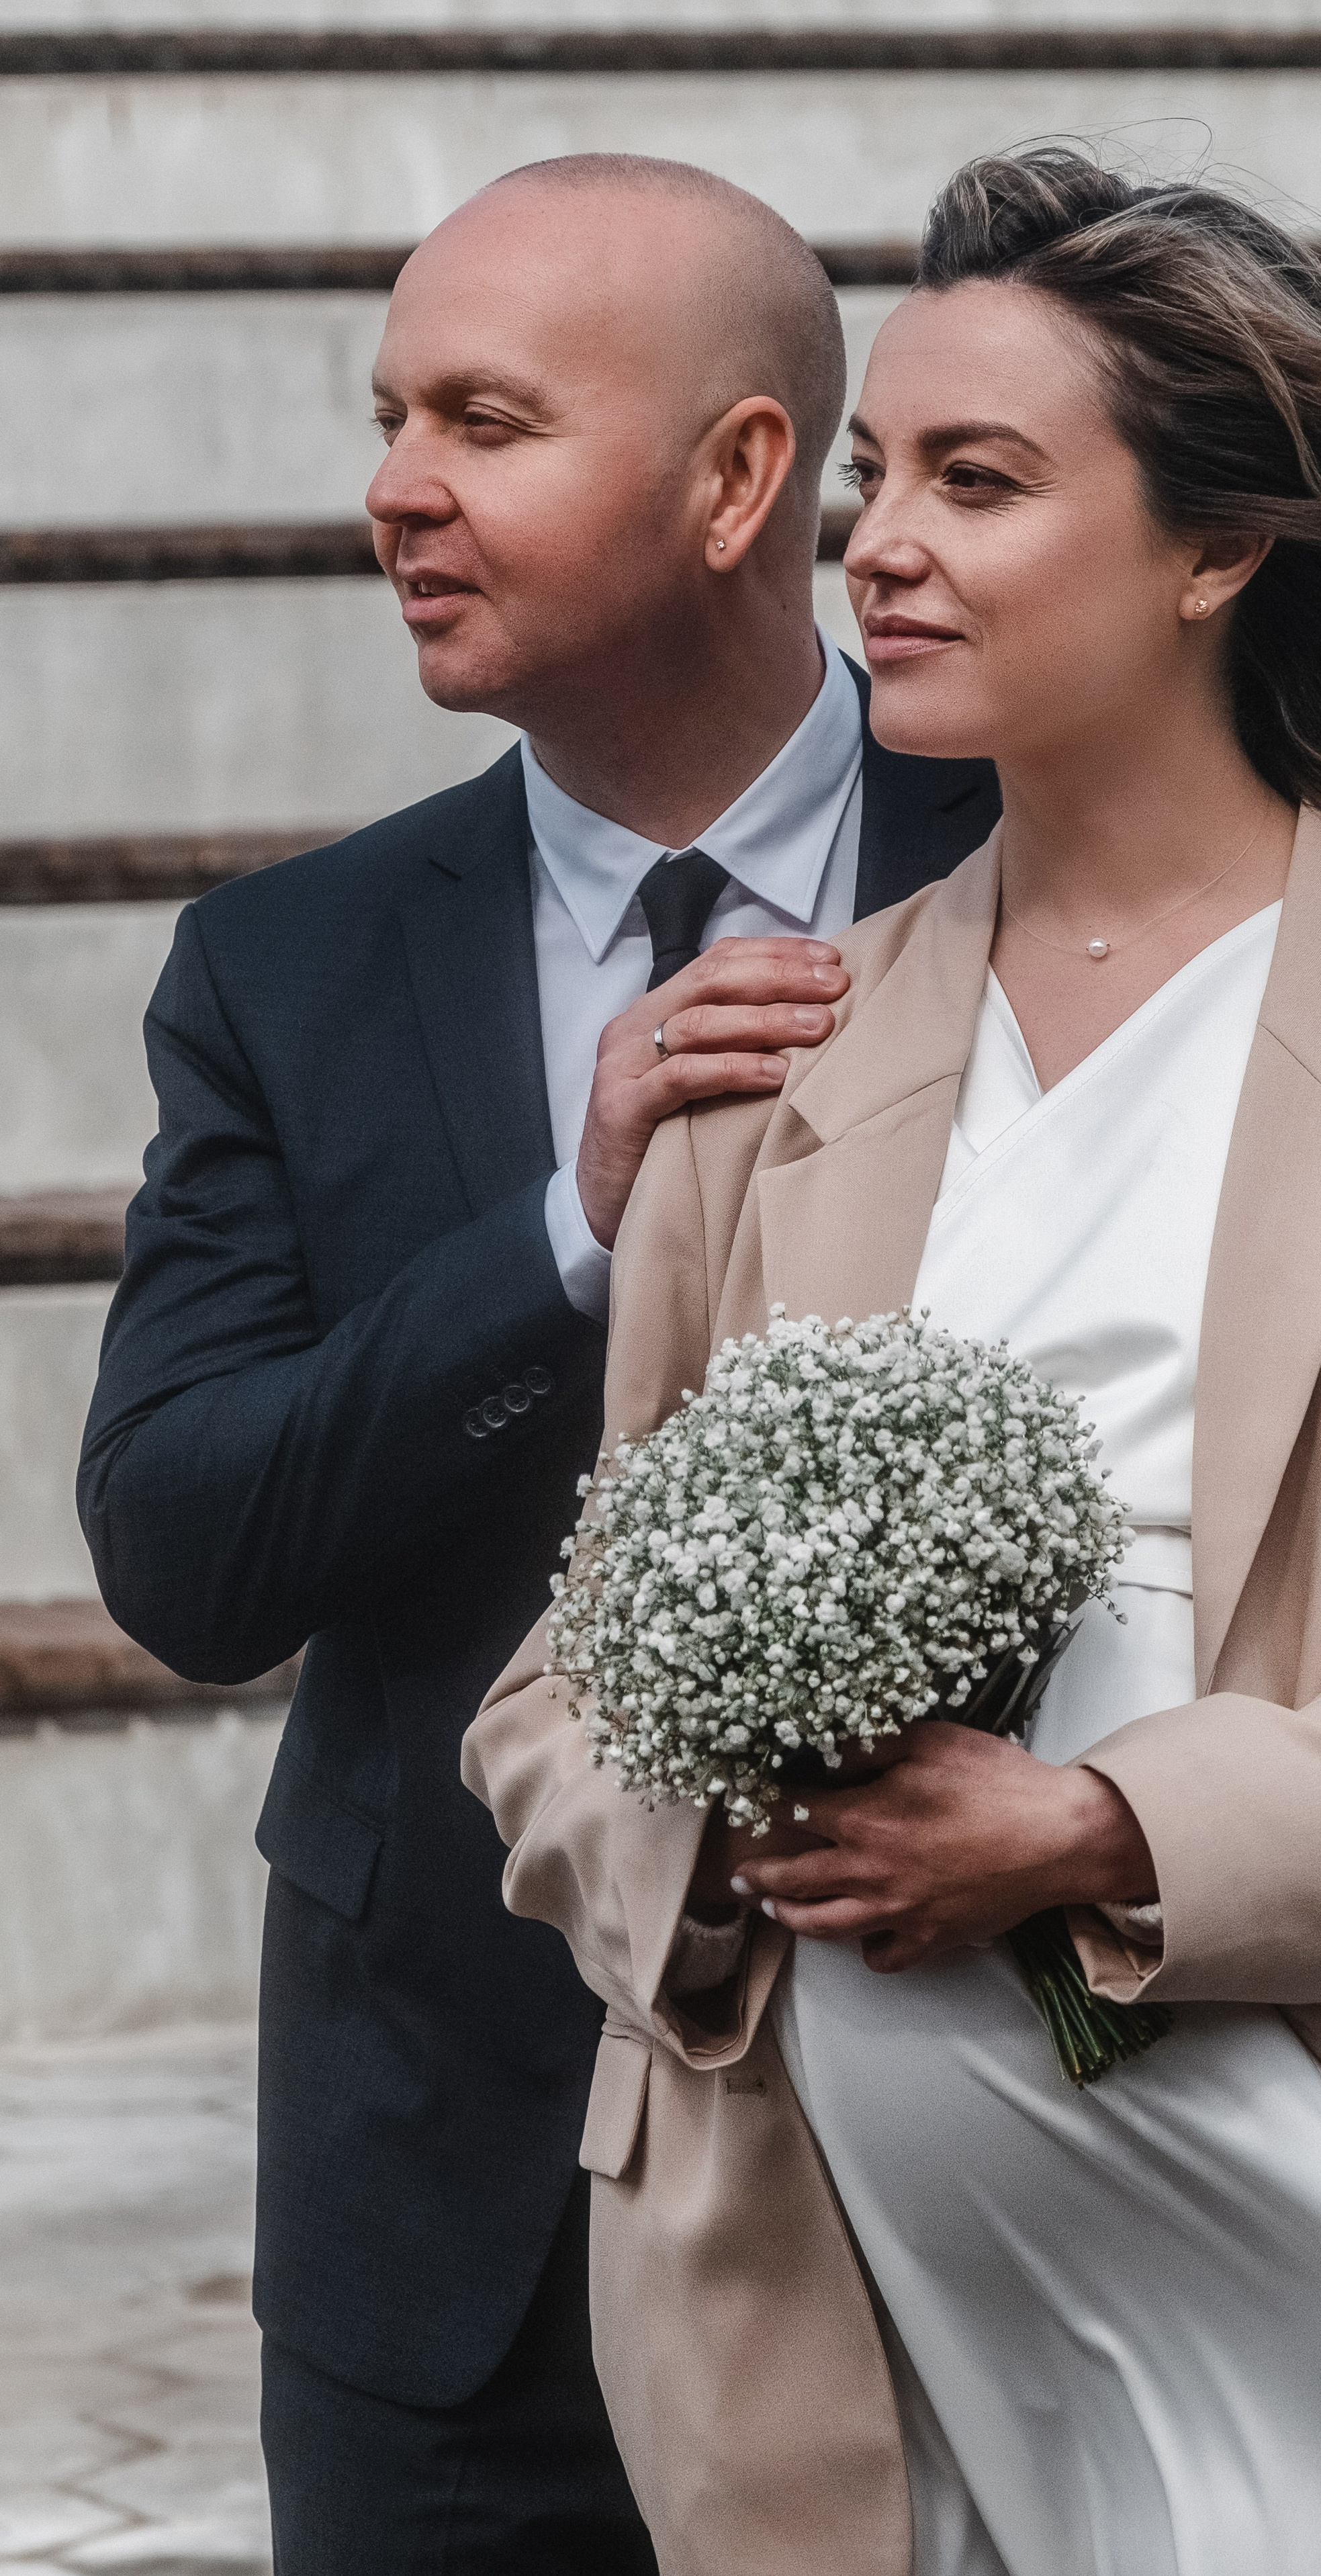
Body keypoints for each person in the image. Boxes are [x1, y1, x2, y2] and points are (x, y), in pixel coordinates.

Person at [465, 148, 1321, 2576]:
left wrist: (1097, 1833)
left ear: (1215, 548)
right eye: (867, 484)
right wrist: (730, 1834)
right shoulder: (783, 1062)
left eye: (978, 480)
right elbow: (553, 1689)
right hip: (848, 2278)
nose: (877, 547)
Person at [75, 155, 1003, 2575]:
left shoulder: (1076, 839)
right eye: (390, 416)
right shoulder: (284, 968)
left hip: (1010, 2131)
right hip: (452, 2223)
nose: (395, 486)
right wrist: (567, 1229)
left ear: (736, 482)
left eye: (484, 420)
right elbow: (185, 1548)